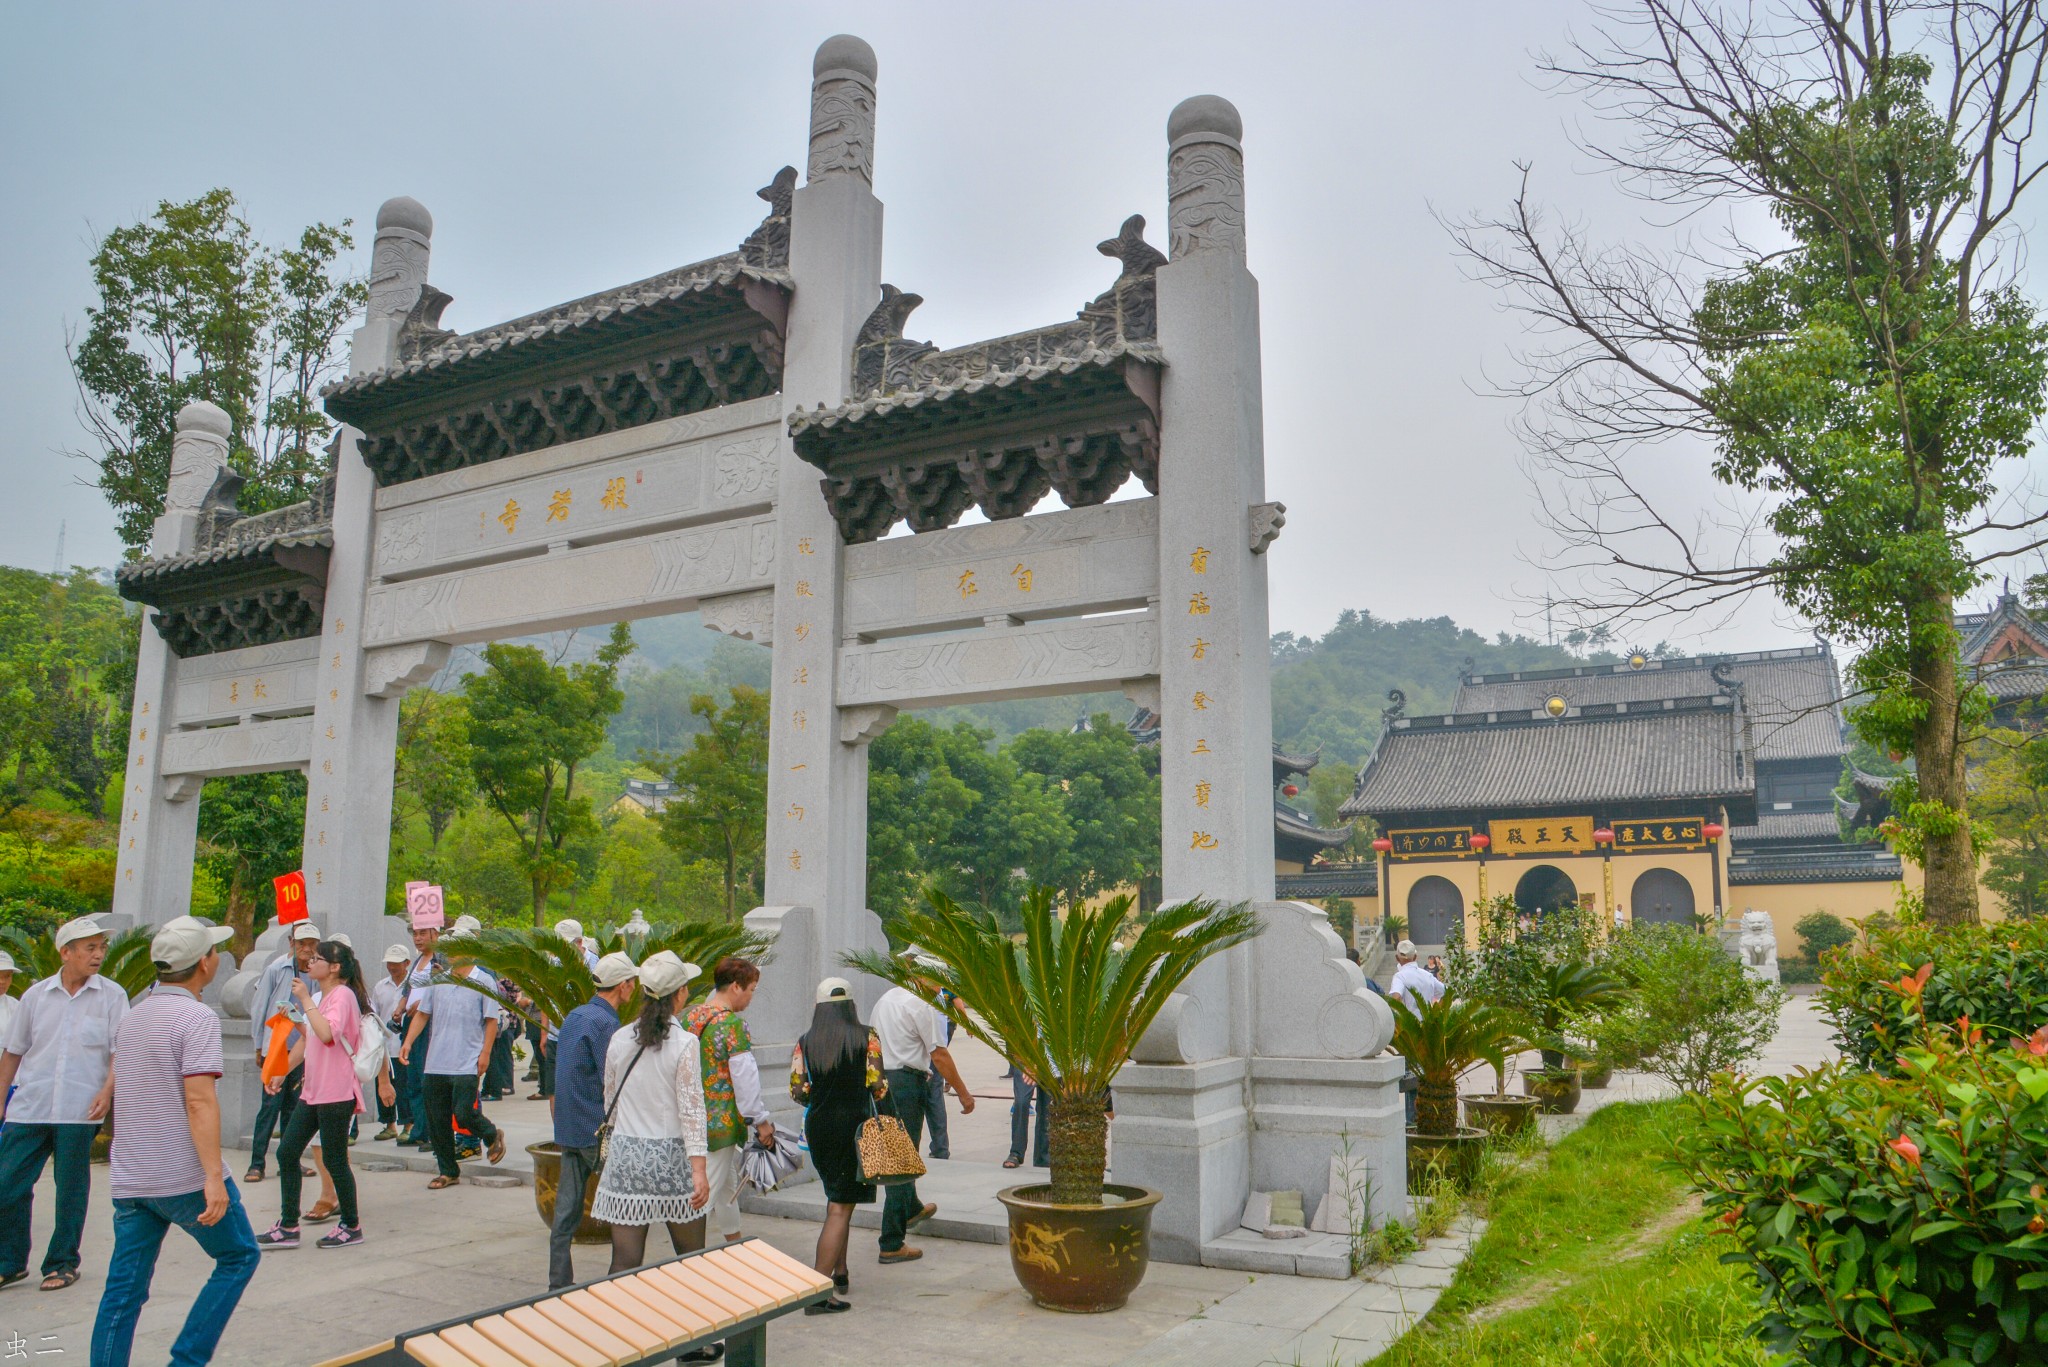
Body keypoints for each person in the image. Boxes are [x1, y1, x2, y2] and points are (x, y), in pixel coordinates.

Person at [90, 915, 258, 1367]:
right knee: (239, 1256)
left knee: (123, 1292)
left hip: (132, 1177)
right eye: (214, 951)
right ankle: (186, 1361)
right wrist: (214, 1177)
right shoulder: (196, 1015)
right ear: (205, 963)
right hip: (181, 1174)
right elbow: (199, 1101)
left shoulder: (135, 1015)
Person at [591, 952, 722, 1365]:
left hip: (627, 1157)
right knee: (690, 1257)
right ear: (679, 995)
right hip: (670, 1159)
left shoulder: (618, 1039)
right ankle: (692, 1344)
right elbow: (691, 1109)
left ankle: (615, 1343)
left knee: (625, 1259)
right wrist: (699, 1170)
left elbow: (608, 1097)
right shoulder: (685, 1043)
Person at [0, 914, 124, 1293]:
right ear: (65, 952)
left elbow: (121, 1051)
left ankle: (62, 1262)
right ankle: (10, 1262)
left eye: (101, 947)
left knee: (70, 1189)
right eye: (90, 948)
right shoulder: (35, 996)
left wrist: (107, 1092)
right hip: (30, 1106)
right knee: (7, 1185)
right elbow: (14, 1051)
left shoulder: (111, 996)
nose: (99, 954)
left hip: (80, 1109)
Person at [258, 939, 389, 1251]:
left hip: (336, 1091)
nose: (310, 962)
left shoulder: (343, 996)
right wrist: (282, 1070)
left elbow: (329, 1034)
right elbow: (311, 1038)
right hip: (313, 1090)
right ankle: (288, 1225)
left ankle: (351, 1225)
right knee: (287, 1153)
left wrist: (303, 999)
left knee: (333, 1159)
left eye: (318, 958)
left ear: (335, 967)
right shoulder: (321, 996)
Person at [871, 950, 974, 1265]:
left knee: (897, 1150)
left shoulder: (887, 998)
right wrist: (964, 1094)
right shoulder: (924, 1004)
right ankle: (891, 1241)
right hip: (905, 1083)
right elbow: (939, 1055)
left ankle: (912, 1208)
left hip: (880, 1080)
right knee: (902, 1159)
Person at [791, 978, 886, 1311]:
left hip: (820, 1126)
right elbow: (878, 1086)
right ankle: (818, 1293)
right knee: (840, 1208)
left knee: (837, 1198)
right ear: (850, 1005)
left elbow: (798, 1091)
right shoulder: (867, 1036)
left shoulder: (805, 1041)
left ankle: (841, 1271)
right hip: (854, 1127)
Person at [547, 951, 638, 1290]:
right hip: (596, 1129)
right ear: (624, 985)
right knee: (621, 1206)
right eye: (632, 983)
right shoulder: (607, 1024)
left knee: (565, 1213)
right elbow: (610, 1079)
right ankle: (621, 1278)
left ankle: (558, 1284)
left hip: (569, 1126)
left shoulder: (575, 1015)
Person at [398, 931, 506, 1189]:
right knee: (437, 1119)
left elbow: (491, 1020)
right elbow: (423, 1015)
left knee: (464, 1112)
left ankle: (491, 1134)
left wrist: (485, 1054)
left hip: (467, 1060)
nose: (449, 953)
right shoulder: (439, 981)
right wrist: (408, 1042)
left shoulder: (483, 981)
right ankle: (448, 1170)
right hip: (436, 1060)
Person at [684, 957, 775, 1246]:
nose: (751, 996)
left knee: (725, 1186)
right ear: (736, 987)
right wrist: (760, 1120)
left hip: (692, 1115)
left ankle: (734, 1243)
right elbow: (745, 1080)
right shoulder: (733, 1025)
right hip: (720, 1121)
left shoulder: (690, 1017)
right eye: (751, 989)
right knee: (705, 1191)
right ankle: (687, 1252)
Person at [245, 921, 320, 1183]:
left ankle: (291, 1160)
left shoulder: (316, 973)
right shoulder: (277, 968)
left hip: (302, 1048)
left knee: (294, 1107)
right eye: (302, 943)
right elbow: (260, 1006)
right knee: (270, 1106)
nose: (307, 949)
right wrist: (258, 1044)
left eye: (312, 944)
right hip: (276, 1046)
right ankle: (256, 1164)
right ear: (291, 942)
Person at [396, 921, 444, 1148]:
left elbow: (445, 987)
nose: (417, 938)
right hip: (411, 1022)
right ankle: (419, 1128)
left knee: (428, 1081)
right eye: (415, 934)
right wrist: (401, 1006)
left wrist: (423, 1004)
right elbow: (408, 988)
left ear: (435, 933)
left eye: (422, 933)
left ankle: (433, 1132)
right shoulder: (418, 961)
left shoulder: (441, 958)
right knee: (412, 1079)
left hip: (430, 1024)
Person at [368, 945, 412, 1141]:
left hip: (405, 1045)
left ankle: (408, 1124)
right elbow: (373, 1013)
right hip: (385, 1045)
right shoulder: (380, 986)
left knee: (404, 1087)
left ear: (407, 963)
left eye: (396, 963)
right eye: (390, 963)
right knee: (383, 1086)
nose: (392, 967)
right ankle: (389, 1124)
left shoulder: (414, 985)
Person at [1002, 1063, 1048, 1169]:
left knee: (1047, 1108)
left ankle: (1043, 1156)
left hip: (1051, 1058)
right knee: (1021, 1102)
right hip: (1026, 1059)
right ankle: (1016, 1153)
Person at [1388, 940, 1445, 1013]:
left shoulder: (1399, 977)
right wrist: (1435, 1013)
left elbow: (1396, 998)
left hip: (1409, 1023)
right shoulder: (1428, 975)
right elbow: (1447, 993)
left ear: (1397, 958)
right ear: (1415, 957)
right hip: (1428, 1022)